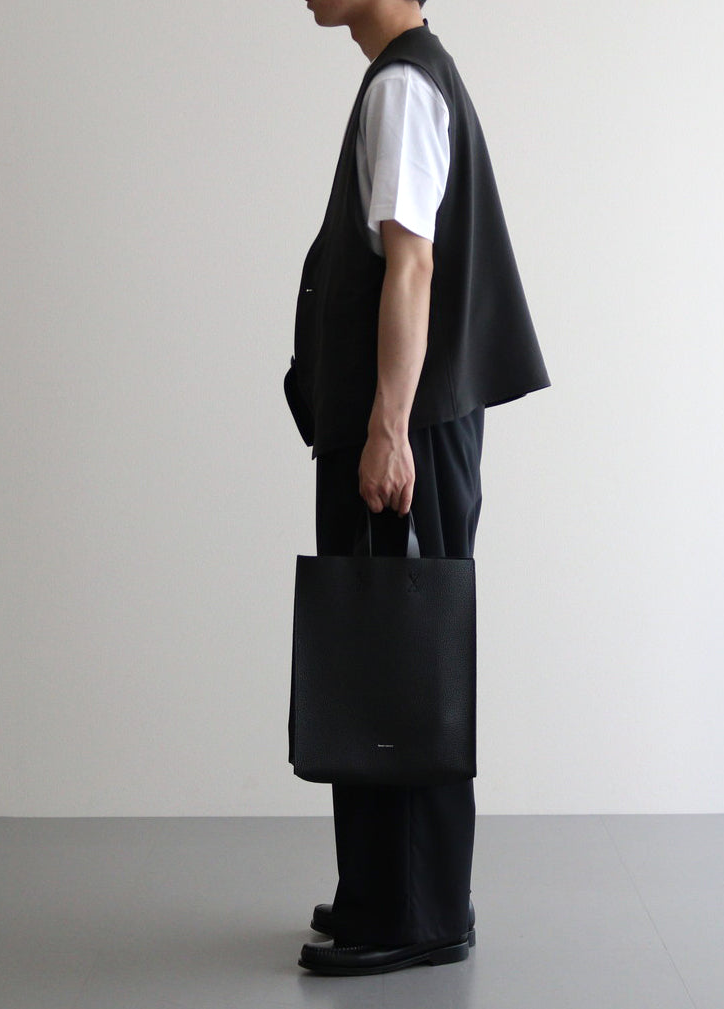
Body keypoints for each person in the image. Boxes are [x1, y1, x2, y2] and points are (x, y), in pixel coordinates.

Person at [285, 0, 550, 976]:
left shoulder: (401, 83)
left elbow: (411, 266)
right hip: (405, 422)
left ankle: (418, 909)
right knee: (380, 650)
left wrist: (388, 428)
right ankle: (383, 890)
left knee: (401, 656)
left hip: (404, 427)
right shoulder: (403, 77)